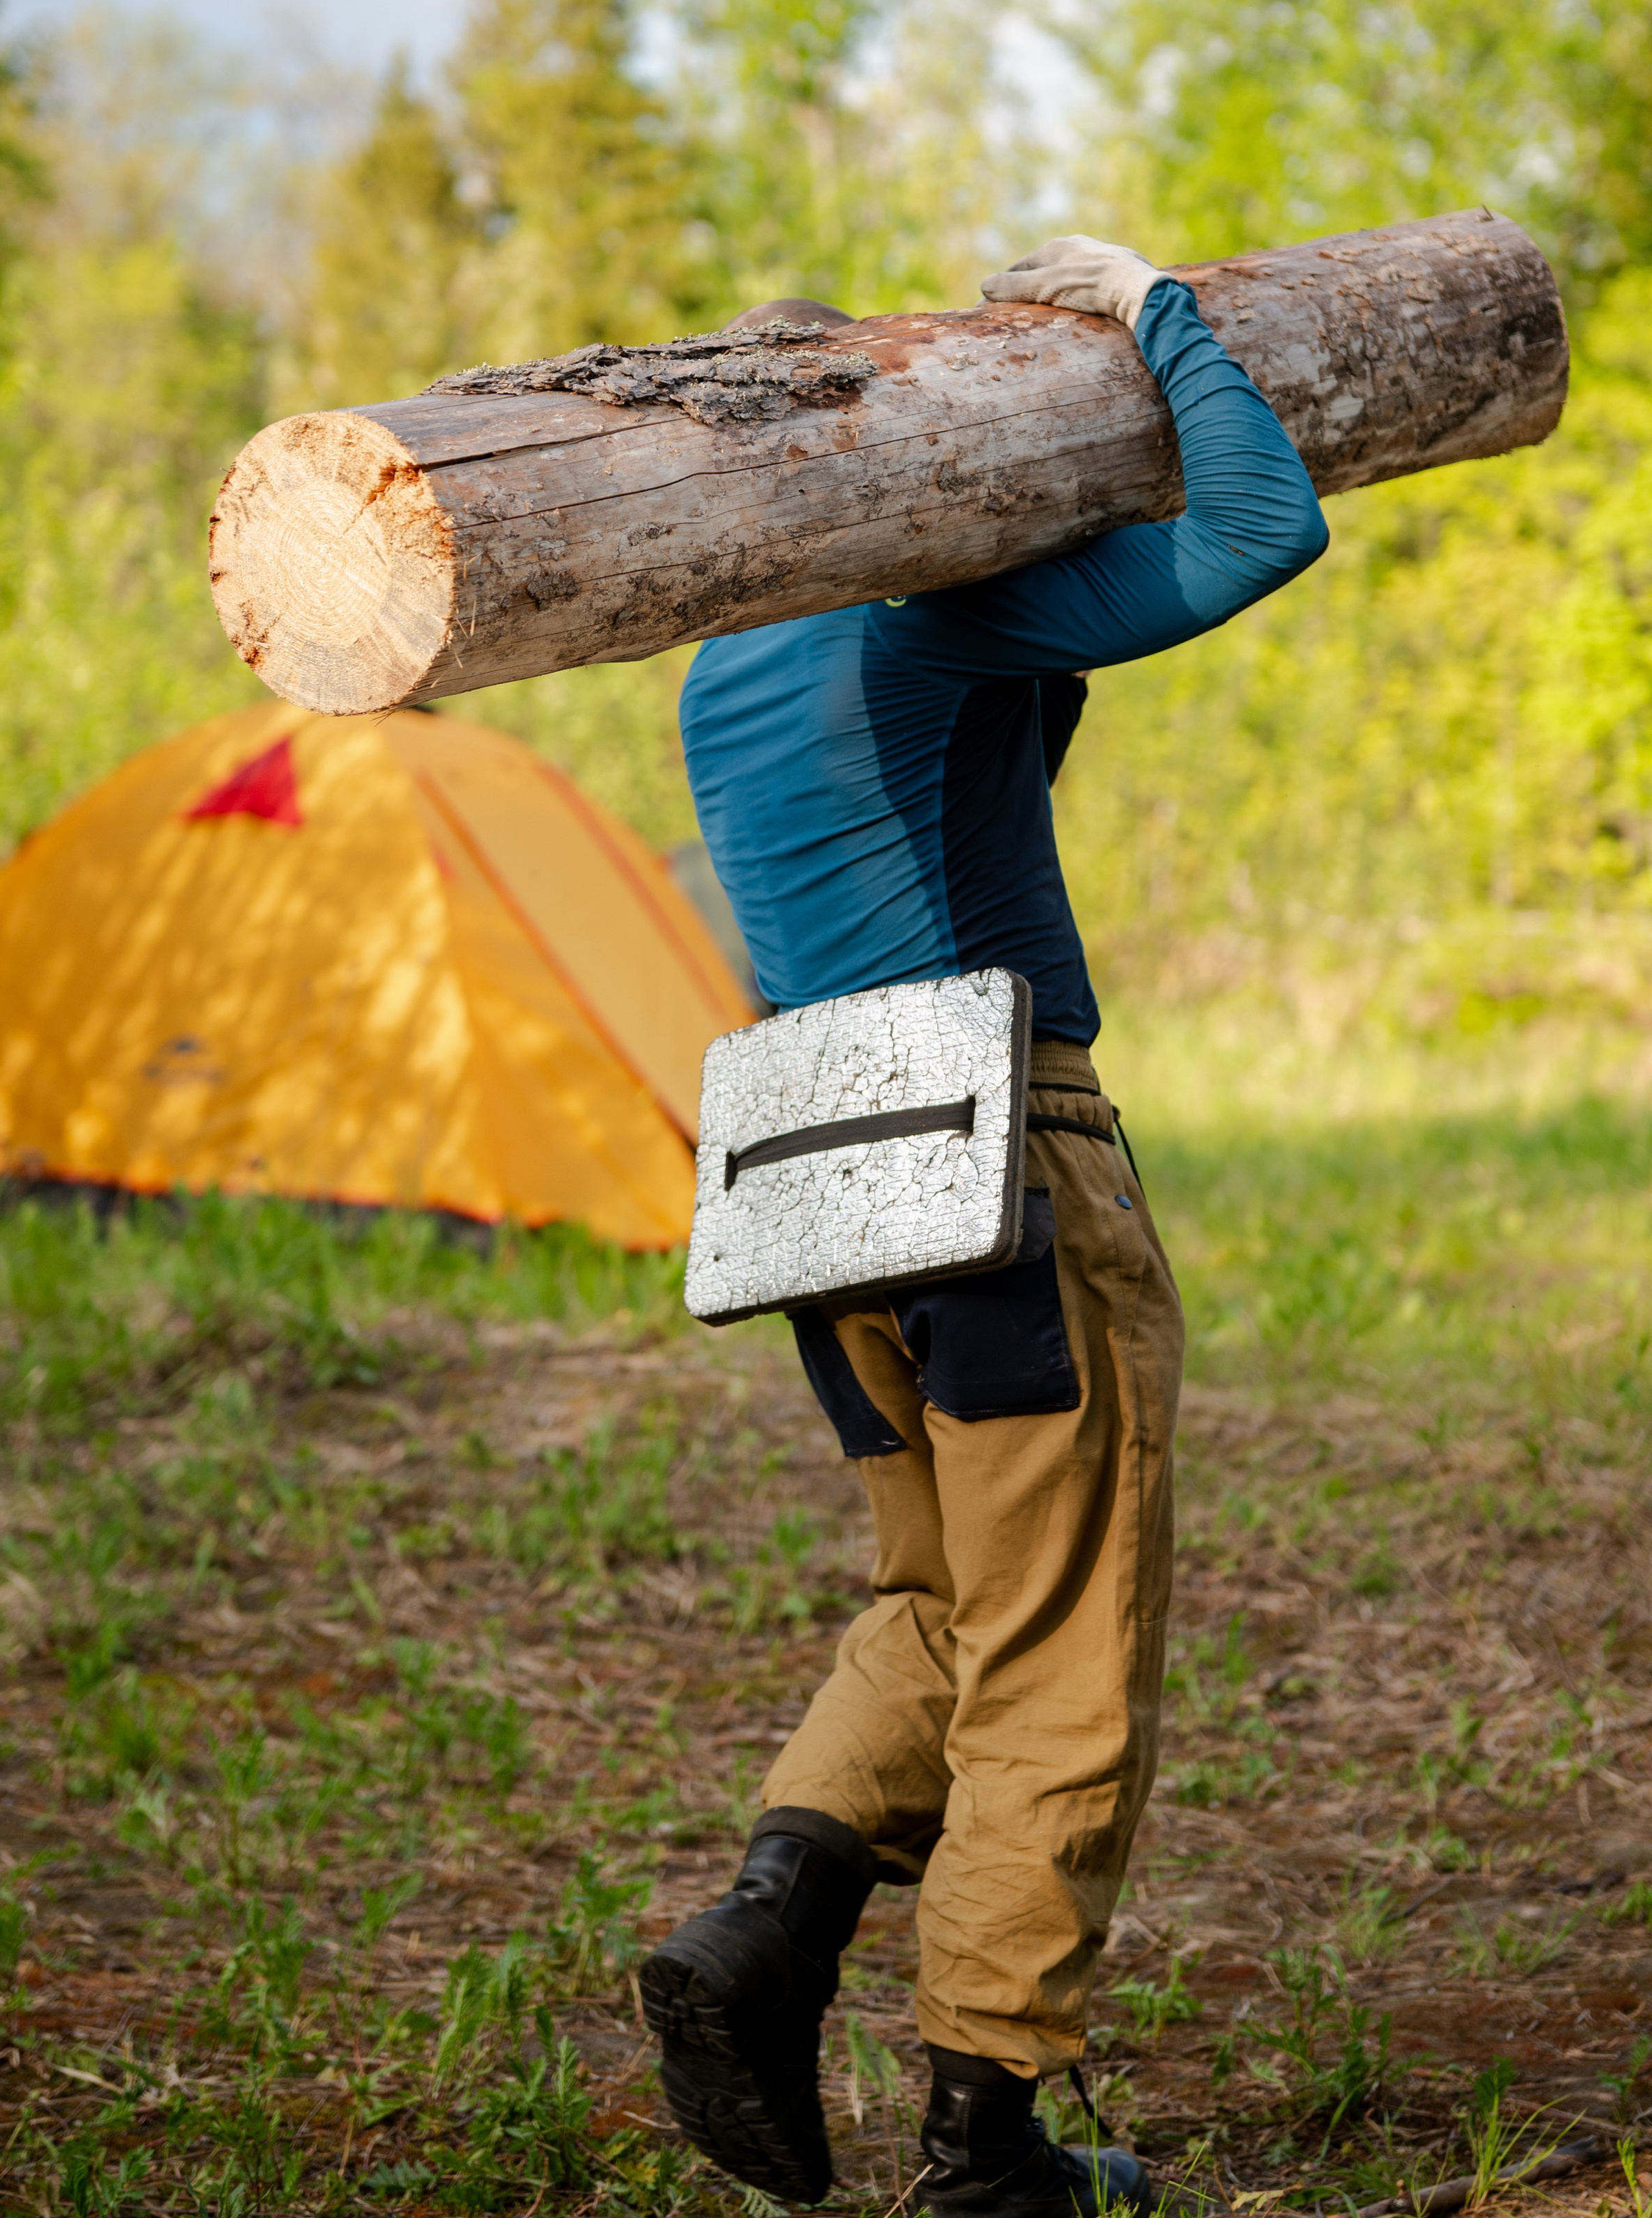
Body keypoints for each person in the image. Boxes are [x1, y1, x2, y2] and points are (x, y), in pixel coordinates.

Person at [640, 236, 1330, 2215]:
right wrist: (1146, 303)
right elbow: (1260, 532)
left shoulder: (724, 666)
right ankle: (986, 2147)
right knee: (1057, 1646)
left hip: (807, 1173)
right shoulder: (922, 622)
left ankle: (770, 1924)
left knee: (938, 1598)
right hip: (999, 1152)